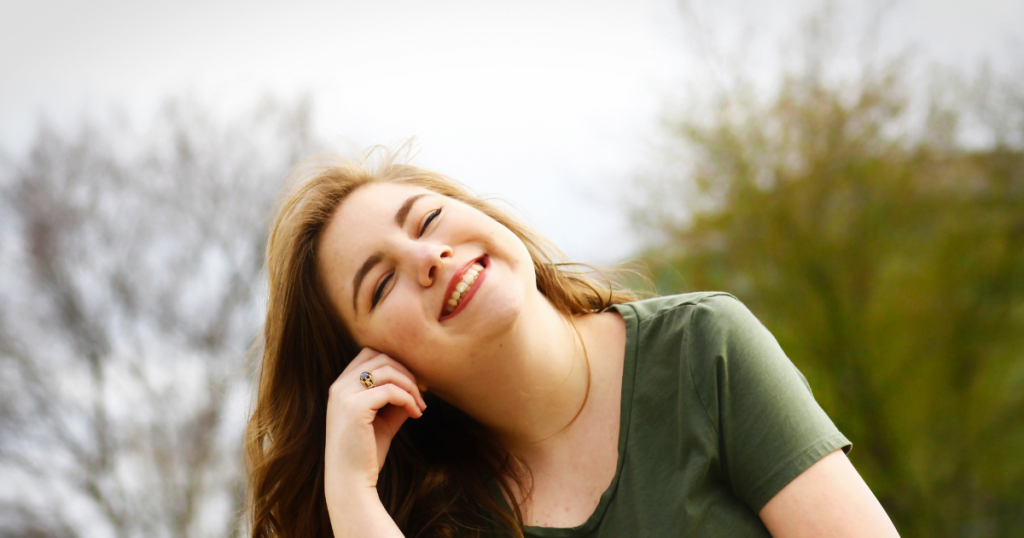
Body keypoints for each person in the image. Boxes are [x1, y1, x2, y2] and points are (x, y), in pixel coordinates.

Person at [244, 152, 901, 538]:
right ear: (370, 366)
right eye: (381, 282)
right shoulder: (435, 517)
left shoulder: (703, 350)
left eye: (429, 219)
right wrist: (353, 495)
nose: (431, 256)